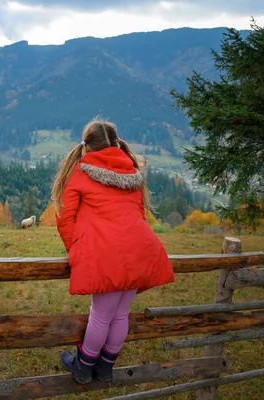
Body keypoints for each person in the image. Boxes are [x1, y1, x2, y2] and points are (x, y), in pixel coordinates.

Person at [53, 118, 174, 384]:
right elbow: (138, 214)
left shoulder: (81, 171)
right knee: (120, 314)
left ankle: (84, 367)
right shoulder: (132, 171)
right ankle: (105, 369)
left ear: (87, 146)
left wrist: (75, 249)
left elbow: (65, 217)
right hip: (140, 248)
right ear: (116, 143)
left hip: (106, 253)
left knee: (101, 315)